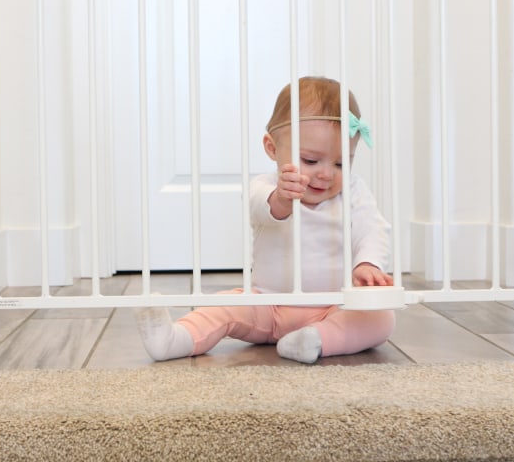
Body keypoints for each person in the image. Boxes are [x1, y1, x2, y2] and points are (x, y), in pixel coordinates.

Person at [135, 76, 395, 364]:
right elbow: (260, 209)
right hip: (266, 303)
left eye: (340, 163)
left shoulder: (354, 191)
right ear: (272, 148)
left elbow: (372, 228)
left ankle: (315, 339)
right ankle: (173, 339)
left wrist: (368, 264)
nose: (326, 174)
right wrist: (281, 198)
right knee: (223, 306)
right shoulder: (265, 186)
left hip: (333, 306)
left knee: (382, 318)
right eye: (310, 160)